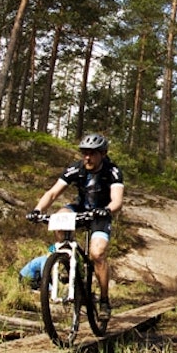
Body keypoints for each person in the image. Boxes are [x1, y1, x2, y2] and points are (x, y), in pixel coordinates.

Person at [26, 133, 124, 317]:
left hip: (101, 213)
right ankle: (68, 263)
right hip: (80, 208)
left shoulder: (112, 171)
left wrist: (108, 210)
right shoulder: (76, 169)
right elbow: (53, 193)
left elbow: (117, 200)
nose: (87, 157)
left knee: (98, 254)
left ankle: (104, 300)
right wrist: (38, 210)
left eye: (92, 153)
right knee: (58, 218)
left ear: (103, 154)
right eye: (84, 153)